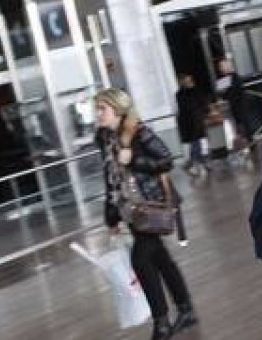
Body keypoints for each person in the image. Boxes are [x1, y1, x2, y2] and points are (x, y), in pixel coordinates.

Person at [95, 87, 196, 340]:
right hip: (128, 208)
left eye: (102, 109)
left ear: (117, 110)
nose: (98, 114)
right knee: (159, 258)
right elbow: (110, 177)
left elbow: (166, 160)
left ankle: (161, 323)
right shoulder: (105, 138)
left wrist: (135, 161)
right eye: (97, 109)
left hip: (149, 206)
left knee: (141, 259)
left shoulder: (139, 132)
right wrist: (111, 216)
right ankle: (185, 308)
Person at [174, 73, 208, 175]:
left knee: (197, 143)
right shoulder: (184, 94)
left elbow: (201, 103)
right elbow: (194, 105)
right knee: (195, 143)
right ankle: (194, 163)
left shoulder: (189, 92)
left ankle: (199, 163)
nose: (189, 83)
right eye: (187, 81)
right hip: (191, 122)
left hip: (194, 121)